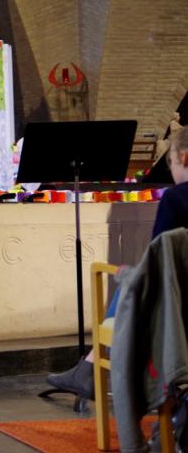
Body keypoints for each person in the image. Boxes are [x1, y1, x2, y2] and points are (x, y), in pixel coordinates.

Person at [46, 125, 188, 399]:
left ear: (182, 158)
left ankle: (89, 369)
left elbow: (158, 260)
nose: (171, 173)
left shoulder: (175, 199)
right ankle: (87, 370)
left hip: (177, 310)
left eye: (170, 163)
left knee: (131, 279)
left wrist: (130, 274)